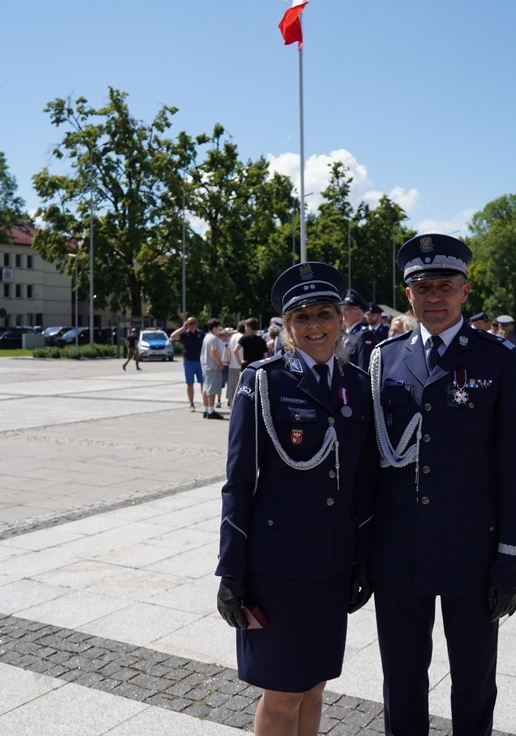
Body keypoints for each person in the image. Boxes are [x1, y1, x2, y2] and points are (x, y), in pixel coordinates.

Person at [370, 232, 516, 736]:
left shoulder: (498, 359)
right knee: (401, 677)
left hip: (472, 551)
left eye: (445, 285)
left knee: (473, 681)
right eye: (423, 287)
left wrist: (512, 558)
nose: (434, 297)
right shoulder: (383, 358)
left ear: (466, 290)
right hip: (398, 550)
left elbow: (515, 465)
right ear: (409, 295)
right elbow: (369, 465)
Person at [215, 261, 377, 736]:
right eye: (301, 318)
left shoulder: (355, 385)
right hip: (277, 567)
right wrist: (231, 571)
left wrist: (362, 562)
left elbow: (362, 483)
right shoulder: (263, 381)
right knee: (283, 691)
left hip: (332, 563)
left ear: (341, 320)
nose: (314, 326)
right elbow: (239, 483)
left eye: (324, 314)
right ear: (287, 327)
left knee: (315, 685)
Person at [170, 317, 205, 411]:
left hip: (200, 361)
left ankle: (206, 403)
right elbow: (173, 337)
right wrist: (183, 328)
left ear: (196, 323)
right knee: (190, 384)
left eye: (193, 323)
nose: (192, 325)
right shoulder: (185, 334)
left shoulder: (201, 333)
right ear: (187, 324)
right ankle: (191, 404)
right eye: (190, 323)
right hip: (188, 361)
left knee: (203, 383)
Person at [201, 318, 225, 420]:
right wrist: (220, 364)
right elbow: (214, 353)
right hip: (213, 367)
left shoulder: (206, 337)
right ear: (214, 327)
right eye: (218, 327)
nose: (219, 329)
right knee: (212, 390)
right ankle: (211, 411)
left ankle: (206, 409)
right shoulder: (213, 338)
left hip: (206, 366)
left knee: (206, 389)